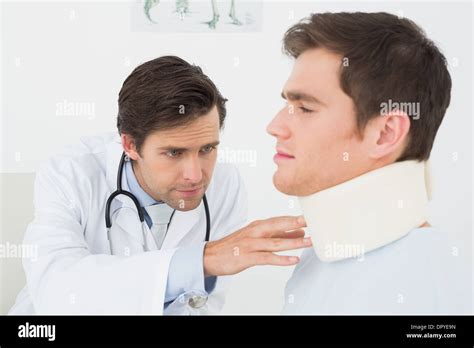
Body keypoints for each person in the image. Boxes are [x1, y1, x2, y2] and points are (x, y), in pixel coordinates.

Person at [9, 56, 311, 315]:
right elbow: (57, 291)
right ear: (130, 144)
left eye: (207, 149)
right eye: (174, 153)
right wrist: (199, 261)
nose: (195, 175)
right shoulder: (70, 174)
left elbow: (202, 305)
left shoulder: (225, 186)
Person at [266, 12, 471, 314]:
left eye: (305, 108)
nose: (275, 126)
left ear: (386, 133)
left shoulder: (421, 290)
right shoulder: (323, 258)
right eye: (287, 104)